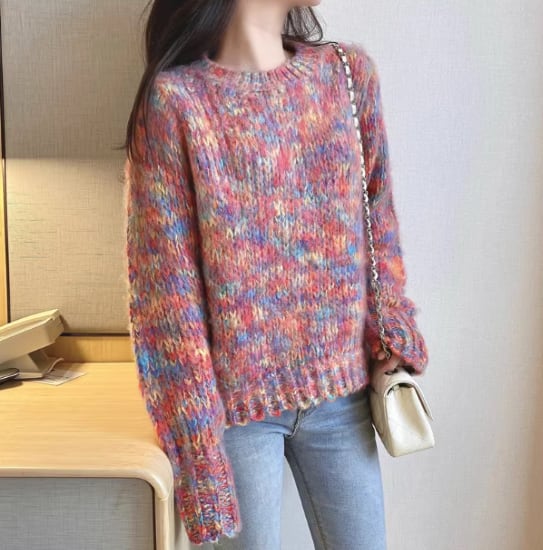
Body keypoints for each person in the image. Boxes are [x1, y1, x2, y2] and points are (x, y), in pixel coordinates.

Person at [122, 1, 429, 548]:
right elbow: (166, 298)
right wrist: (199, 454)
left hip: (344, 396)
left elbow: (377, 217)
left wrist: (392, 325)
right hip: (235, 418)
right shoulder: (177, 103)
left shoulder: (347, 75)